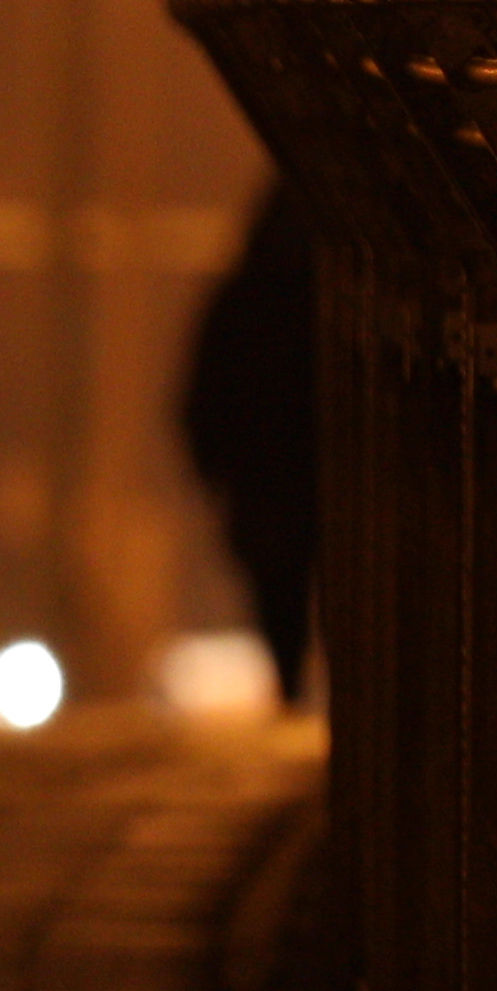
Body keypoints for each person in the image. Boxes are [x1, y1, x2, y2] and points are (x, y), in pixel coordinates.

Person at [180, 180, 317, 704]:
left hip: (264, 486)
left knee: (277, 598)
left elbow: (201, 397)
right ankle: (307, 697)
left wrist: (215, 473)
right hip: (304, 478)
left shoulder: (239, 300)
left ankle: (292, 693)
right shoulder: (323, 298)